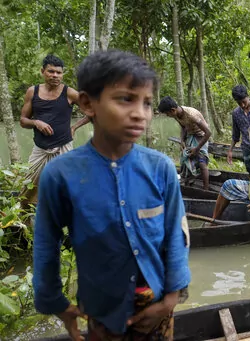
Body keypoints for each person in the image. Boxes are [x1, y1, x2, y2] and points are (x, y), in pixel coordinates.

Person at [32, 50, 190, 341]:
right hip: (102, 309)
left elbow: (176, 234)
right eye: (125, 99)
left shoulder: (161, 168)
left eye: (147, 103)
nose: (140, 113)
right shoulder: (60, 175)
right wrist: (55, 302)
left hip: (156, 307)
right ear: (88, 104)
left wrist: (172, 297)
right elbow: (45, 244)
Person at [19, 54, 90, 205]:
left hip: (63, 147)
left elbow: (92, 112)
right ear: (42, 71)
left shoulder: (69, 93)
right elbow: (23, 121)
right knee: (27, 190)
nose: (55, 75)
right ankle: (23, 225)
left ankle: (69, 224)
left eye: (59, 72)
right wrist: (36, 122)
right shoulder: (33, 91)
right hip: (40, 148)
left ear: (63, 73)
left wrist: (75, 127)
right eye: (51, 71)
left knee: (68, 189)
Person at [158, 97, 211, 190]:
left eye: (167, 114)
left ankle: (206, 189)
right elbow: (183, 127)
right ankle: (187, 183)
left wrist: (197, 149)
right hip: (191, 135)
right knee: (186, 159)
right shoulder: (176, 115)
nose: (167, 116)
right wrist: (182, 140)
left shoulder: (191, 115)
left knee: (202, 162)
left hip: (201, 136)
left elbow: (208, 132)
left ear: (172, 110)